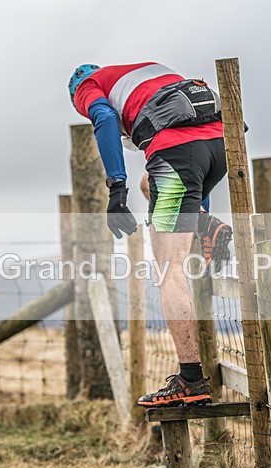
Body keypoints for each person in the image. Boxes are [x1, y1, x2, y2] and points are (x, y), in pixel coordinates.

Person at [68, 62, 232, 407]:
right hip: (221, 145)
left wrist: (116, 190)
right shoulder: (146, 73)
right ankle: (207, 223)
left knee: (169, 270)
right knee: (151, 182)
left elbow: (105, 120)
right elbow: (194, 150)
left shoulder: (88, 85)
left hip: (177, 153)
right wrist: (198, 212)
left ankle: (191, 379)